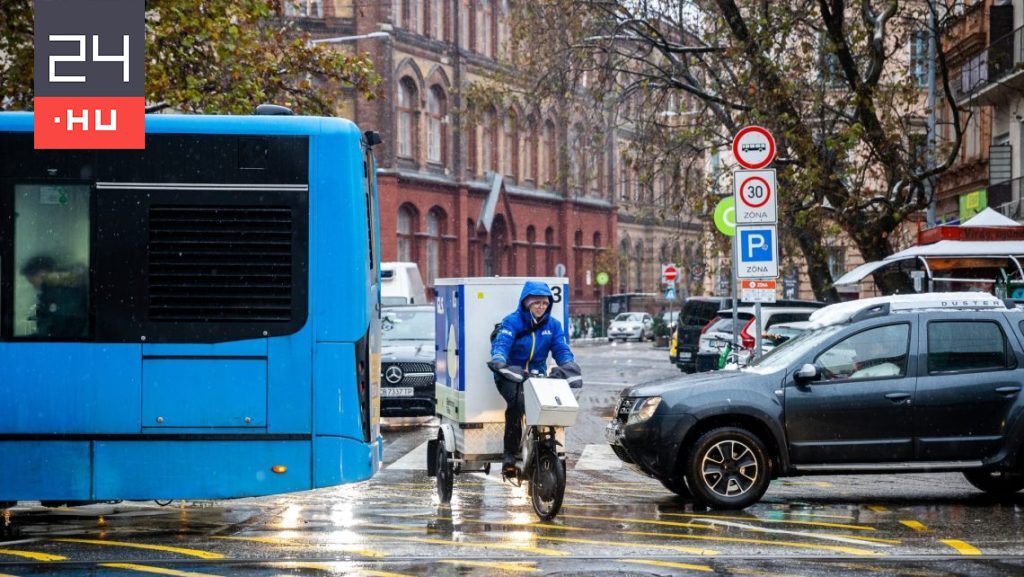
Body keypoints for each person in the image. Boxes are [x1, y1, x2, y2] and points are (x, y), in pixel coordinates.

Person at [487, 281, 579, 476]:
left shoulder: (553, 325)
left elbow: (561, 349)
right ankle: (510, 454)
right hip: (510, 374)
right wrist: (499, 361)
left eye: (545, 303)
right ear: (526, 303)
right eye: (537, 303)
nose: (541, 307)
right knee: (516, 404)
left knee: (550, 403)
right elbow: (502, 344)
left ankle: (542, 444)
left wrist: (568, 364)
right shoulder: (512, 322)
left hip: (537, 375)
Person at [20, 255, 88, 338]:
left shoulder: (59, 293)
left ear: (42, 274)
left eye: (33, 282)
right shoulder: (59, 290)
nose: (34, 286)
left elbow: (57, 325)